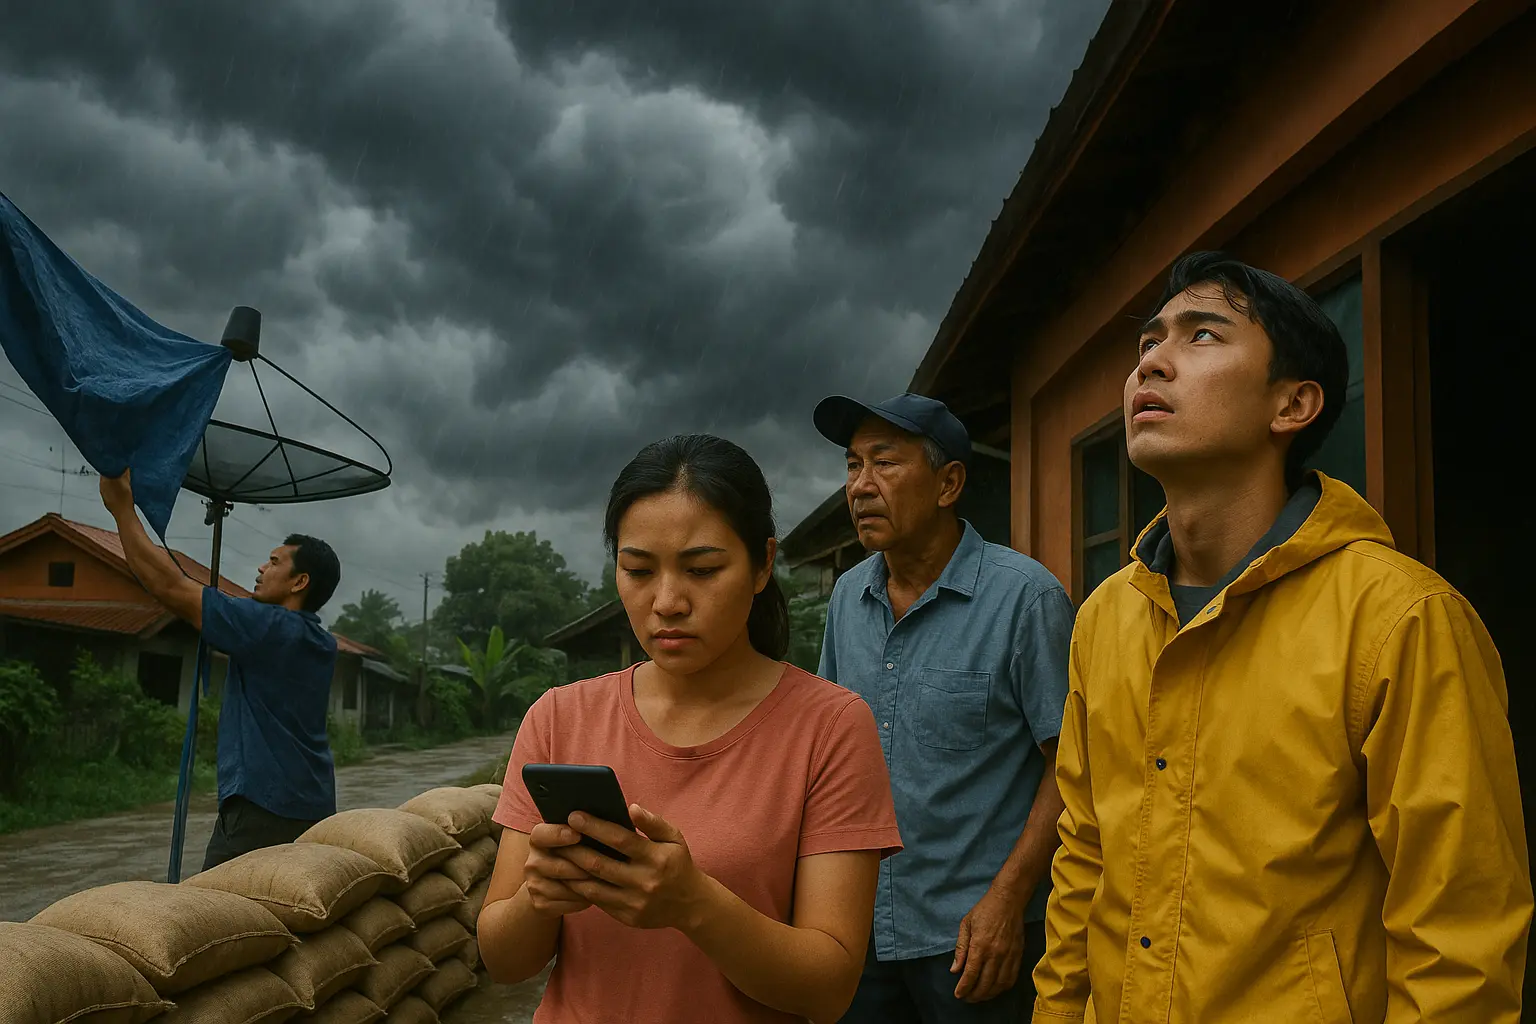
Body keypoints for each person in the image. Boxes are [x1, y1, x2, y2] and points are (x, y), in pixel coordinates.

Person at [1031, 252, 1532, 1023]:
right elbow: (1084, 857)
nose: (1151, 364)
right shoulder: (1106, 616)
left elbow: (1460, 936)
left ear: (1292, 405)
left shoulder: (1401, 618)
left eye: (1202, 336)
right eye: (1147, 343)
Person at [478, 434, 903, 1024]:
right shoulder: (559, 718)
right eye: (638, 570)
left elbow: (828, 988)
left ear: (763, 565)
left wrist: (692, 902)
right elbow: (502, 960)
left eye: (703, 569)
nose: (668, 601)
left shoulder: (829, 727)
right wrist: (540, 899)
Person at [813, 392, 1075, 1023]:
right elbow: (825, 754)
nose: (861, 486)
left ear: (948, 483)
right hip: (862, 927)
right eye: (852, 466)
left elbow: (1072, 768)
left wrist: (1007, 903)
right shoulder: (849, 597)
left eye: (885, 463)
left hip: (973, 939)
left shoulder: (1025, 599)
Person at [98, 469, 343, 871]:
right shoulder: (319, 640)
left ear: (299, 582)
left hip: (262, 810)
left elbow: (170, 587)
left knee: (215, 917)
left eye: (274, 561)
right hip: (311, 805)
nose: (262, 569)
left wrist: (122, 510)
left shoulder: (269, 628)